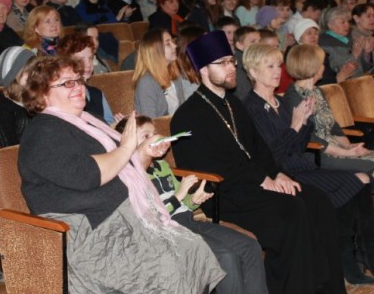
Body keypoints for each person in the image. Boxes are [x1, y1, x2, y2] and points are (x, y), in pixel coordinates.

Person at [18, 56, 225, 293]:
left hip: (121, 219)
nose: (78, 87)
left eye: (78, 80)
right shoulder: (42, 132)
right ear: (42, 94)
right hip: (88, 232)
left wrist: (145, 151)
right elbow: (87, 175)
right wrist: (127, 147)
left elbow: (127, 168)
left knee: (192, 248)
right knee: (167, 264)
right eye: (67, 83)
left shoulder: (89, 122)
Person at [171, 30, 345, 294]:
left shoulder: (233, 104)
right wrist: (262, 179)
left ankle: (329, 288)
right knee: (293, 211)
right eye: (223, 63)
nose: (232, 68)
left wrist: (277, 174)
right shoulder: (187, 116)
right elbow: (212, 167)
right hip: (225, 195)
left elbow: (259, 148)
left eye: (232, 61)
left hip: (253, 184)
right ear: (204, 69)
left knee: (317, 200)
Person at [242, 43, 374, 284]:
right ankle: (348, 260)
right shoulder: (251, 108)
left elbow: (299, 146)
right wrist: (296, 126)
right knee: (355, 183)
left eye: (278, 65)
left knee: (365, 180)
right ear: (252, 72)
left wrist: (304, 121)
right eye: (269, 66)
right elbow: (272, 157)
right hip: (286, 174)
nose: (277, 71)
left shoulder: (280, 103)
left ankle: (367, 255)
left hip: (302, 166)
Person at [284, 44, 374, 252]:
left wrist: (350, 145)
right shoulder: (293, 97)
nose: (324, 66)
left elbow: (333, 126)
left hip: (336, 149)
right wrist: (346, 153)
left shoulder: (316, 91)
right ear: (311, 65)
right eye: (321, 63)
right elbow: (310, 138)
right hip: (318, 155)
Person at [117, 115, 269, 294]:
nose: (155, 139)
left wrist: (193, 200)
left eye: (155, 133)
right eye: (146, 136)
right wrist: (178, 197)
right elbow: (149, 218)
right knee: (225, 257)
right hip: (167, 231)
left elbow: (183, 204)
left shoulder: (162, 166)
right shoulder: (129, 175)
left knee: (250, 247)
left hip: (188, 221)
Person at [57, 33, 121, 124]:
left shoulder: (96, 94)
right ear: (66, 62)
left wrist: (119, 125)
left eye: (90, 58)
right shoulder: (62, 94)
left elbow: (109, 124)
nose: (88, 64)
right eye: (80, 60)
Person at [0, 47, 36, 147]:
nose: (35, 73)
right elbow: (7, 150)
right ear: (13, 75)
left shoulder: (37, 97)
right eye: (29, 70)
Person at [133, 29, 191, 118]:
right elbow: (150, 122)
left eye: (172, 42)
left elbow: (183, 111)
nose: (175, 46)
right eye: (168, 44)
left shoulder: (175, 74)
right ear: (156, 51)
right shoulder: (147, 82)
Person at [231, 26, 260, 100]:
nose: (258, 45)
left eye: (259, 41)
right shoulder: (237, 67)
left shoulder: (251, 62)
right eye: (253, 41)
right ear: (239, 45)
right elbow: (246, 97)